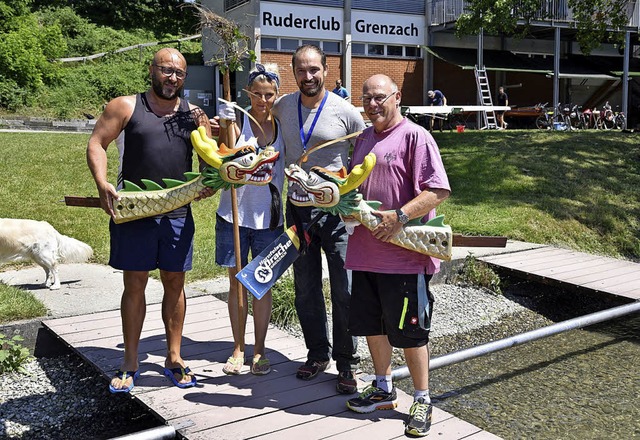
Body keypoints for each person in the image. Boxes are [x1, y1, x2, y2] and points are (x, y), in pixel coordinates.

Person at [86, 47, 213, 393]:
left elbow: (210, 159)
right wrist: (102, 183)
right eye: (166, 70)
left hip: (176, 212)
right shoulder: (125, 106)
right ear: (151, 70)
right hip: (135, 210)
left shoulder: (194, 115)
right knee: (135, 283)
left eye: (179, 73)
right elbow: (97, 143)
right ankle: (130, 360)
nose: (172, 78)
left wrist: (210, 182)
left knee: (175, 283)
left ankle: (174, 358)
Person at [344, 74, 450, 437]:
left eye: (379, 98)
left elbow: (438, 190)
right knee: (372, 325)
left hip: (406, 256)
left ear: (397, 97)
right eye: (366, 98)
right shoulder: (361, 140)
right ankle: (383, 387)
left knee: (412, 331)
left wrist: (401, 215)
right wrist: (344, 207)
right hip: (364, 253)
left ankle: (422, 398)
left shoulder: (416, 136)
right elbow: (353, 191)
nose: (372, 105)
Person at [271, 45, 366, 394]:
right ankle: (317, 354)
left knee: (344, 290)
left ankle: (346, 363)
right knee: (306, 288)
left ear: (326, 70)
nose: (308, 76)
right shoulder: (283, 106)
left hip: (335, 215)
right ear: (294, 72)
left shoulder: (346, 112)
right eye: (301, 70)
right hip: (298, 213)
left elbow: (363, 158)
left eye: (314, 70)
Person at [215, 63, 285, 376]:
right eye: (256, 93)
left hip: (268, 219)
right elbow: (226, 152)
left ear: (276, 94)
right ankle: (237, 348)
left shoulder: (282, 126)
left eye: (268, 94)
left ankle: (259, 350)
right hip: (235, 215)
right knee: (236, 284)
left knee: (261, 286)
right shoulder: (239, 119)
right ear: (247, 93)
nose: (262, 100)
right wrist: (227, 119)